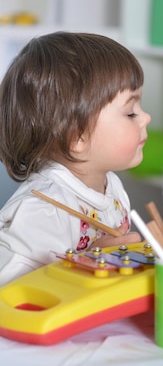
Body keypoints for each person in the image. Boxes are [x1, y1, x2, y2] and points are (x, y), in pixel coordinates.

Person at [0, 32, 148, 286]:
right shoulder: (43, 210)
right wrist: (83, 266)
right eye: (131, 112)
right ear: (77, 136)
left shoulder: (111, 186)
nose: (146, 118)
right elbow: (9, 299)